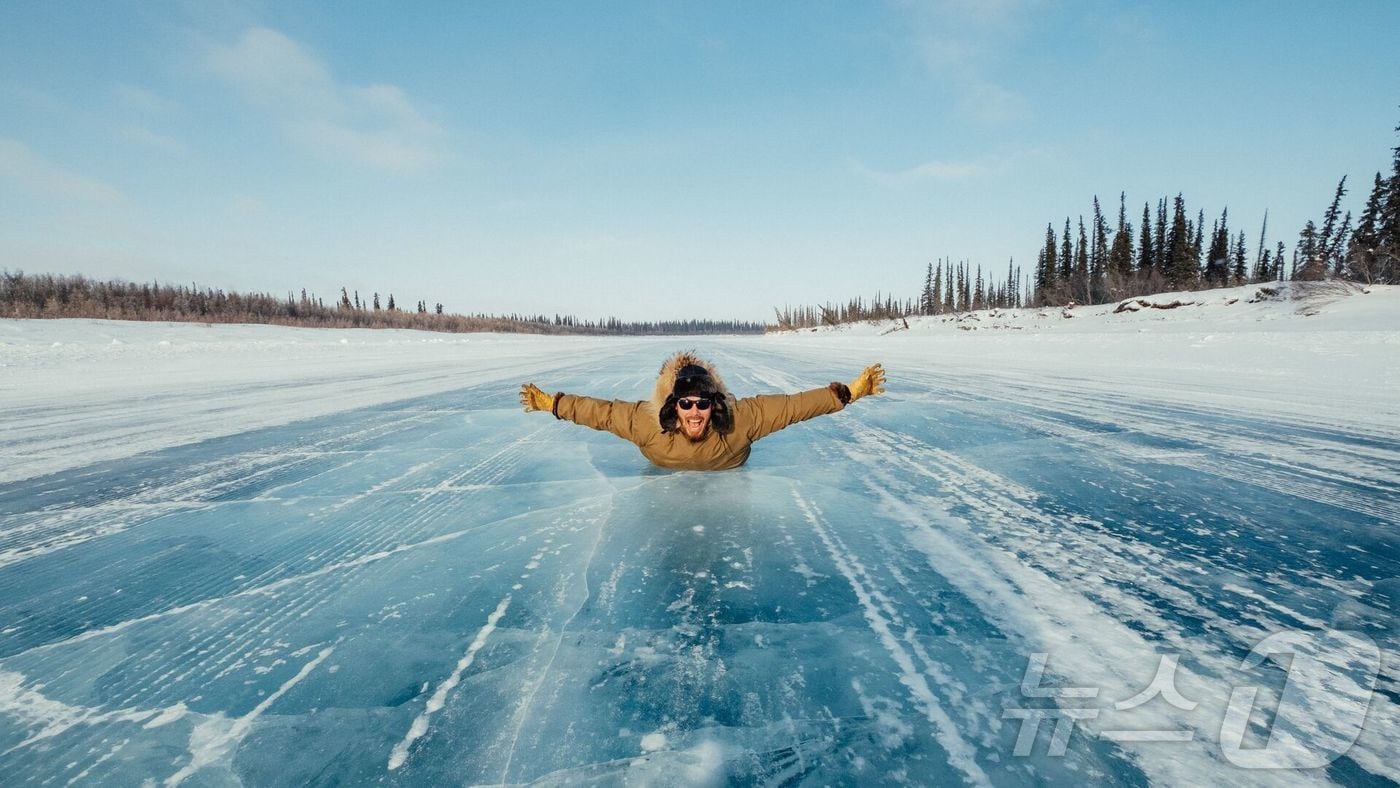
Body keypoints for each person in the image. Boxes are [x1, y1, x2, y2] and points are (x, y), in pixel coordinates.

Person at [519, 351, 886, 471]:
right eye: (686, 404)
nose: (694, 413)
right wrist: (552, 403)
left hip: (729, 477)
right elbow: (599, 412)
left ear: (715, 405)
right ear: (673, 406)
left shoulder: (739, 421)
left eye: (703, 404)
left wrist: (848, 393)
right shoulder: (647, 424)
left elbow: (792, 407)